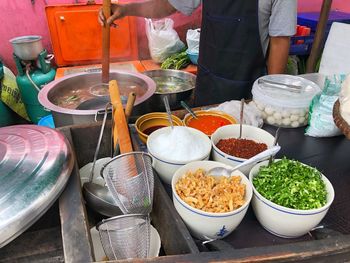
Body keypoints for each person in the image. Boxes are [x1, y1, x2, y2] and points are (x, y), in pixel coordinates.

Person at [99, 0, 297, 106]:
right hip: (208, 86)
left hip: (249, 92)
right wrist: (125, 10)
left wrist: (270, 99)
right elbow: (167, 5)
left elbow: (280, 41)